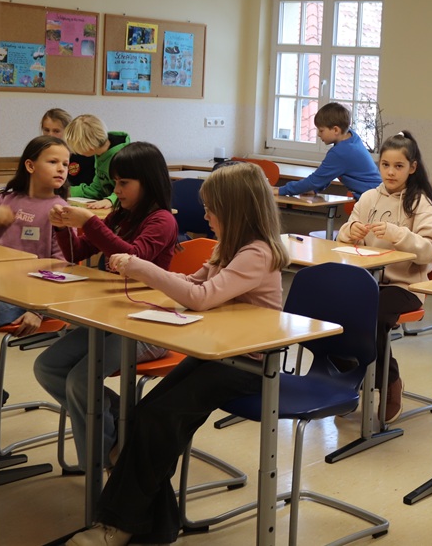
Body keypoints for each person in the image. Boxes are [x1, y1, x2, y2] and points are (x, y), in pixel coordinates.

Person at [64, 161, 289, 546]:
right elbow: (191, 281)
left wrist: (141, 267)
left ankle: (119, 525)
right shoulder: (230, 248)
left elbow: (200, 298)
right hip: (217, 353)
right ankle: (158, 524)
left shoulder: (258, 252)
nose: (205, 216)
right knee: (144, 416)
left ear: (234, 210)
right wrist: (145, 273)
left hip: (247, 365)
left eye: (211, 209)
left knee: (158, 419)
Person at [34, 142, 178, 473]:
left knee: (80, 382)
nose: (117, 190)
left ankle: (105, 465)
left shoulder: (162, 221)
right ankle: (126, 420)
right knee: (48, 367)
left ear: (148, 182)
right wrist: (63, 227)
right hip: (110, 319)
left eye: (123, 183)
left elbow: (132, 257)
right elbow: (77, 251)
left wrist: (90, 222)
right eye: (114, 183)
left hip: (148, 326)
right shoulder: (120, 216)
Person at [336, 131, 432, 423]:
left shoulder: (419, 203)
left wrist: (399, 235)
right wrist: (350, 231)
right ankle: (349, 377)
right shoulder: (369, 197)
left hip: (405, 286)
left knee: (373, 317)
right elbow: (344, 236)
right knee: (333, 312)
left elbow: (431, 251)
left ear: (412, 167)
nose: (391, 172)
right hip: (367, 282)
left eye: (398, 166)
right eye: (385, 165)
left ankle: (390, 381)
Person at [0, 135, 70, 337]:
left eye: (65, 164)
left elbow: (62, 267)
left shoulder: (60, 211)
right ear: (30, 166)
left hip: (25, 297)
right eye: (53, 162)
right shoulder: (3, 200)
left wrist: (38, 310)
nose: (61, 169)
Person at [274, 101, 381, 198]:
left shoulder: (341, 152)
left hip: (374, 200)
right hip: (377, 195)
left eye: (321, 130)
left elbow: (314, 180)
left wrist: (280, 190)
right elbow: (328, 174)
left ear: (336, 130)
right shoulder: (352, 137)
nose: (318, 134)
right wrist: (315, 189)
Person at [65, 114, 131, 209]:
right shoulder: (100, 154)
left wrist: (111, 200)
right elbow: (97, 189)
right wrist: (66, 191)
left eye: (77, 149)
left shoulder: (124, 157)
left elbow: (130, 188)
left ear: (89, 148)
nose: (77, 153)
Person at [41, 108, 94, 187]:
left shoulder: (85, 155)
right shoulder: (38, 155)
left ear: (68, 132)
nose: (50, 135)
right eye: (46, 130)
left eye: (56, 131)